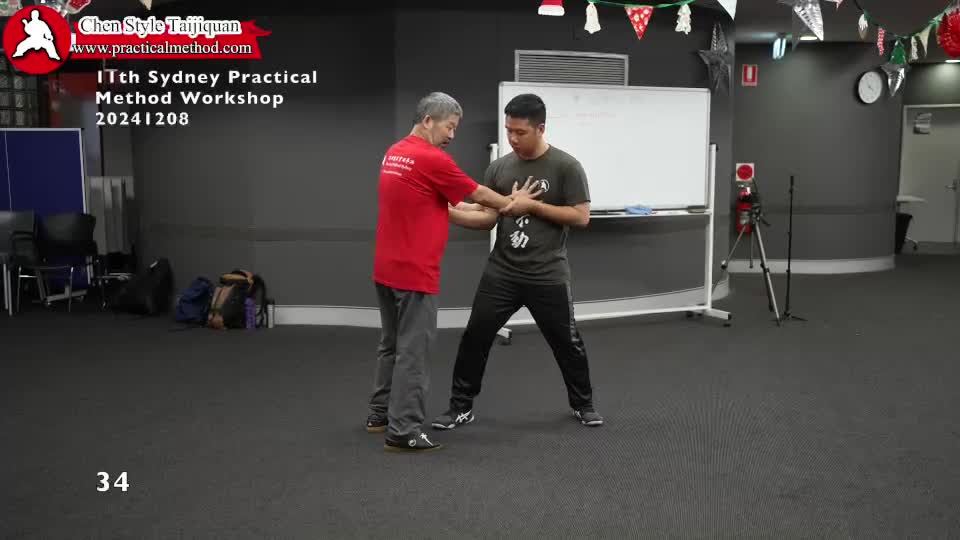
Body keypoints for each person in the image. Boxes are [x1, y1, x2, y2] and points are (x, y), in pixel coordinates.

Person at [367, 91, 543, 453]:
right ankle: (403, 430)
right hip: (414, 271)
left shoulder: (395, 153)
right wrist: (516, 203)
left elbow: (442, 202)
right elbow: (479, 194)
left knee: (391, 345)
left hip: (386, 267)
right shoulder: (431, 158)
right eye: (449, 127)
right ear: (428, 120)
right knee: (413, 352)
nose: (451, 135)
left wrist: (495, 208)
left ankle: (379, 414)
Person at [433, 93, 604, 431]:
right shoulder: (499, 168)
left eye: (520, 132)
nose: (512, 138)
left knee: (567, 343)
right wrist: (444, 213)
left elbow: (581, 217)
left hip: (547, 273)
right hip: (502, 272)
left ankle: (583, 405)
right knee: (475, 338)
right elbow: (487, 218)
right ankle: (460, 407)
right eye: (509, 130)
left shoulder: (566, 167)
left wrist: (533, 206)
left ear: (540, 128)